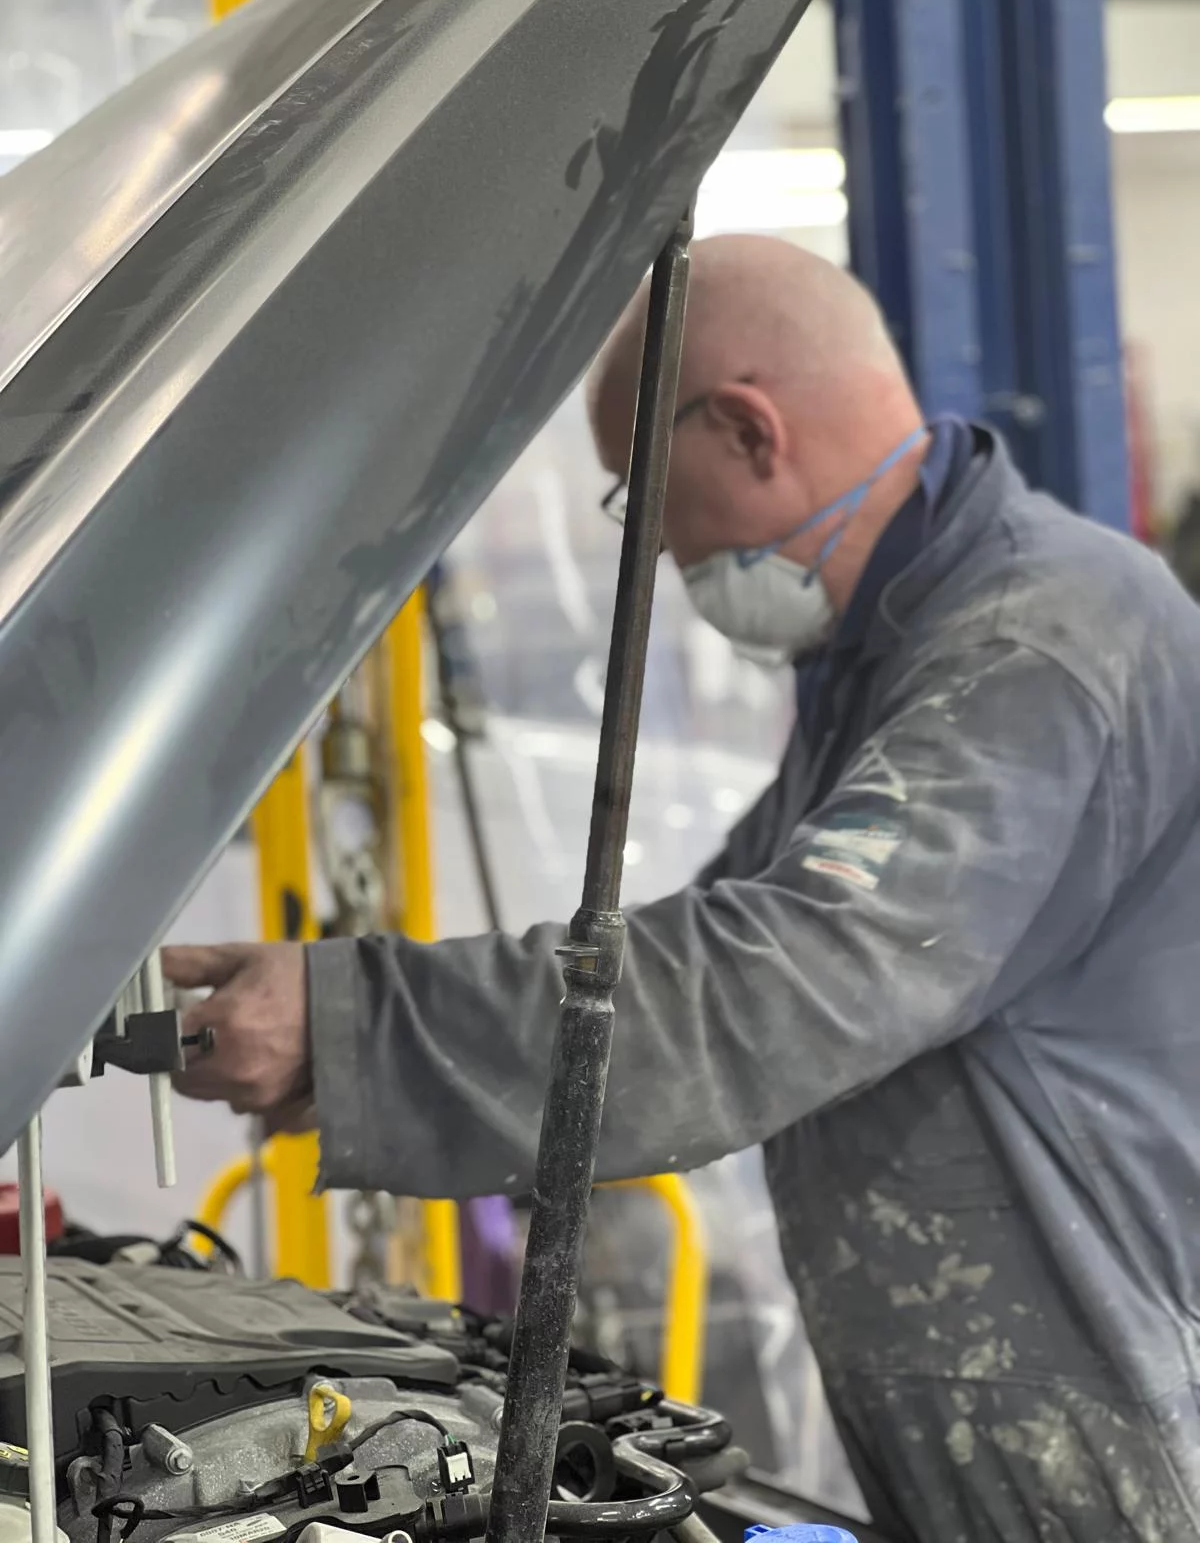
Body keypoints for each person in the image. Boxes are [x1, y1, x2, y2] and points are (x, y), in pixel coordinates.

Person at [165, 236, 1200, 1543]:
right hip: (1006, 1404)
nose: (656, 555)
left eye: (643, 501)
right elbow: (682, 946)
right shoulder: (899, 649)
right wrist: (354, 1041)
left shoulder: (1031, 651)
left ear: (750, 430)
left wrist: (354, 1022)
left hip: (1115, 1422)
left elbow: (772, 982)